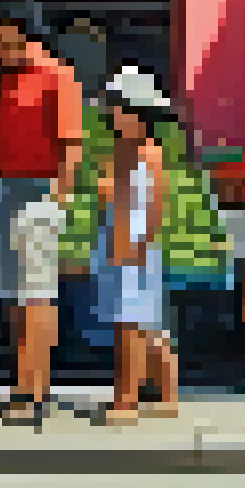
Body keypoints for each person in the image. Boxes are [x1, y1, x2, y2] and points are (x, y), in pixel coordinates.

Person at [0, 12, 84, 427]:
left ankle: (31, 391)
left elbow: (71, 144)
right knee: (13, 295)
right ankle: (29, 383)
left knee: (35, 294)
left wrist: (61, 196)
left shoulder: (56, 75)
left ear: (22, 38)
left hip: (40, 190)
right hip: (4, 188)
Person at [92, 66, 185, 426]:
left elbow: (151, 206)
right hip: (122, 240)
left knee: (131, 326)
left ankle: (127, 400)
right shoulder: (126, 151)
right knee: (143, 327)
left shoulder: (146, 154)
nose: (112, 115)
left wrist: (138, 245)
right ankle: (164, 394)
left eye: (118, 107)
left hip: (133, 244)